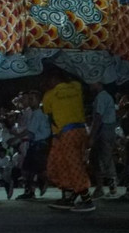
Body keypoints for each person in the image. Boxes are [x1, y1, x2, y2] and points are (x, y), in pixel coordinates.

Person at [41, 66, 95, 212]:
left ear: (52, 79)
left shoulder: (49, 95)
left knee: (70, 164)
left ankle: (86, 199)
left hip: (64, 133)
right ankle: (69, 196)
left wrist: (56, 132)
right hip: (78, 130)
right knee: (60, 164)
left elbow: (50, 117)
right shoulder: (76, 87)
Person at [15, 90, 50, 200]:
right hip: (37, 144)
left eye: (32, 99)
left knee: (30, 169)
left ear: (39, 100)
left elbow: (30, 132)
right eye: (29, 99)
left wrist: (15, 139)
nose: (30, 101)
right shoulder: (35, 113)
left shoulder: (37, 114)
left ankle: (38, 186)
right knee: (31, 169)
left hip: (38, 144)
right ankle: (33, 189)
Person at [88, 81, 118, 198]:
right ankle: (102, 187)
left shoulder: (101, 97)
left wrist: (92, 136)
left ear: (98, 83)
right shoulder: (104, 96)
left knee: (104, 158)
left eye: (91, 82)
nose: (89, 85)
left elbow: (98, 118)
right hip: (106, 129)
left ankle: (111, 186)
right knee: (97, 158)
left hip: (104, 130)